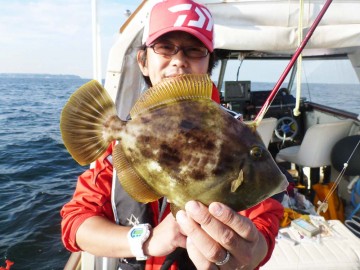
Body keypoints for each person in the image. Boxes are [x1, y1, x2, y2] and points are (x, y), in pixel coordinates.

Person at [60, 0, 284, 269]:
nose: (179, 61)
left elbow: (263, 220)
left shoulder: (235, 134)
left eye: (194, 50)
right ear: (143, 61)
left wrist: (254, 251)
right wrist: (146, 240)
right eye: (165, 47)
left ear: (209, 63)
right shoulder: (121, 144)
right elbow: (75, 222)